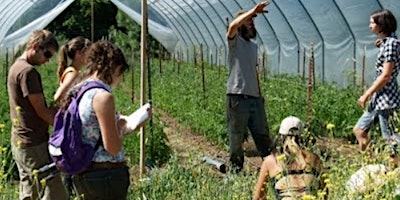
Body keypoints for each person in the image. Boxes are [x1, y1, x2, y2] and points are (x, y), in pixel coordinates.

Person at [58, 40, 149, 199]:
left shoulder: (80, 89)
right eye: (120, 74)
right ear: (112, 68)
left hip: (86, 175)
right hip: (105, 177)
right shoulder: (102, 97)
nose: (119, 80)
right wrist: (124, 127)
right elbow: (112, 148)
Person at [7, 30, 68, 200]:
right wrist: (64, 129)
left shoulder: (16, 67)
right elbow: (41, 111)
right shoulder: (28, 72)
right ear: (35, 46)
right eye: (47, 54)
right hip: (33, 143)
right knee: (54, 191)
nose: (47, 60)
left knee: (30, 190)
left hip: (21, 140)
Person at [226, 1, 274, 173]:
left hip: (254, 99)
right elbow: (232, 26)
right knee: (236, 140)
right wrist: (253, 10)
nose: (252, 23)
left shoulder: (253, 47)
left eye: (253, 21)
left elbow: (254, 73)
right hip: (237, 98)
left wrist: (260, 96)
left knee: (263, 137)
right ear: (241, 25)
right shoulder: (234, 41)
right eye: (249, 21)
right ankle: (235, 173)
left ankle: (273, 170)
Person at [353, 9, 400, 151]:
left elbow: (386, 75)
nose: (370, 26)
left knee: (391, 140)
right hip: (378, 99)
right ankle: (372, 164)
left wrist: (366, 94)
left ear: (381, 25)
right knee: (359, 130)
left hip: (386, 99)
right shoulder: (388, 42)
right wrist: (382, 43)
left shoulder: (391, 44)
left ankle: (394, 169)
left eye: (372, 22)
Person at [253, 116, 325, 200]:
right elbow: (324, 191)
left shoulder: (271, 161)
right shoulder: (313, 158)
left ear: (280, 137)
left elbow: (258, 197)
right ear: (303, 138)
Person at [53, 36, 91, 102]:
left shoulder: (75, 71)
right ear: (78, 53)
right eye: (89, 52)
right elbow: (58, 97)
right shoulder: (72, 74)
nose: (91, 56)